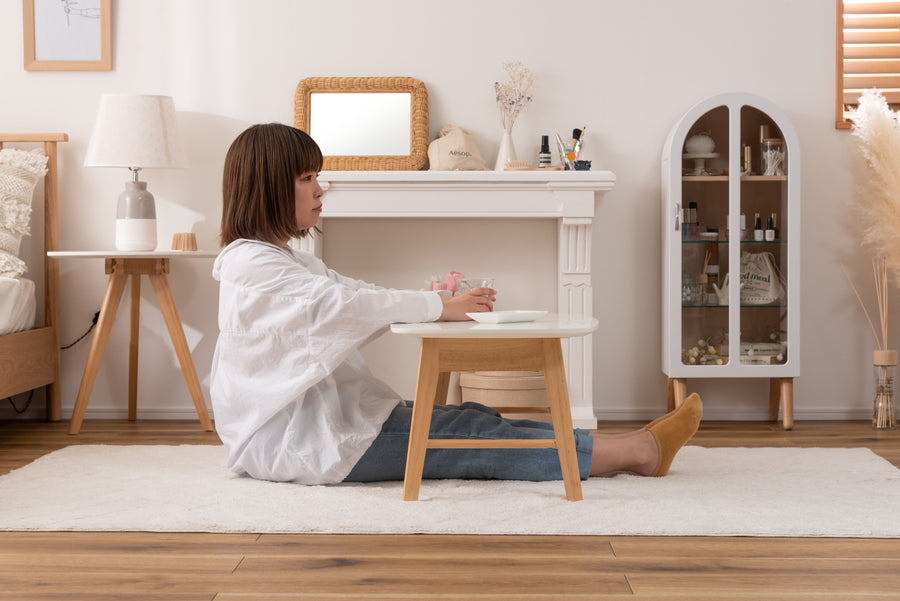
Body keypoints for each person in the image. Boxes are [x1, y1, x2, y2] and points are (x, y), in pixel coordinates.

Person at [210, 123, 703, 486]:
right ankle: (638, 452)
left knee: (471, 414)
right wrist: (439, 306)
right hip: (297, 439)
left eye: (316, 175)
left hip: (324, 416)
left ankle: (622, 444)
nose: (320, 189)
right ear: (269, 188)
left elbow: (353, 292)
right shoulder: (252, 266)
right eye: (305, 178)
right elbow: (344, 304)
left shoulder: (280, 260)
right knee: (466, 436)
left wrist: (438, 301)